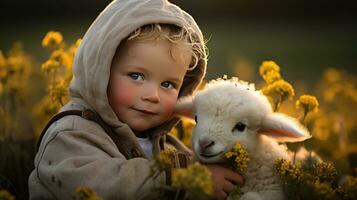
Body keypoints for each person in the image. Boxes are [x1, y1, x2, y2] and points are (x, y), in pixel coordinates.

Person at [29, 0, 243, 199]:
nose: (153, 96)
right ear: (101, 72)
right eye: (136, 76)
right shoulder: (70, 134)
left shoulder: (167, 145)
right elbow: (101, 187)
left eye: (168, 84)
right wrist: (181, 178)